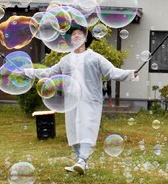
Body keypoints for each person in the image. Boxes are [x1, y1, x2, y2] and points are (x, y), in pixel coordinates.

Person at [26, 26, 138, 175]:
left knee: (87, 127)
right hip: (71, 100)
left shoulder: (95, 57)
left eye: (80, 34)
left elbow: (112, 72)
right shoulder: (66, 60)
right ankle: (80, 160)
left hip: (89, 99)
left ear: (86, 38)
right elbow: (49, 72)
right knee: (73, 131)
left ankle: (83, 160)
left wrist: (130, 73)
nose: (77, 36)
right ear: (70, 40)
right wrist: (30, 72)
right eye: (73, 35)